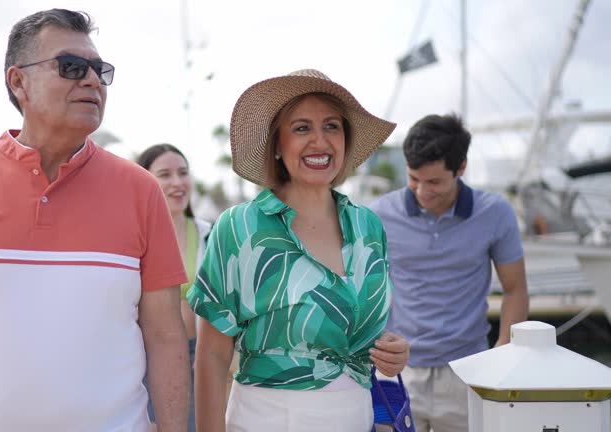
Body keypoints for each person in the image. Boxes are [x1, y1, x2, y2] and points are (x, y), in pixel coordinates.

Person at [0, 9, 190, 432]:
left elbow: (166, 337)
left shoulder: (142, 191)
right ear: (17, 81)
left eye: (100, 70)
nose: (93, 81)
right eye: (72, 67)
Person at [187, 69, 410, 432]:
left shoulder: (370, 227)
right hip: (268, 420)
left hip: (357, 416)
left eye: (332, 126)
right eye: (302, 128)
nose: (319, 141)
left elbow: (363, 330)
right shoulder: (239, 227)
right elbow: (212, 354)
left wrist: (393, 353)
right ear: (277, 145)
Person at [369, 114, 529, 432]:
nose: (420, 191)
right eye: (413, 178)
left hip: (468, 372)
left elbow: (515, 289)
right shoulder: (378, 214)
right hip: (396, 372)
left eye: (434, 182)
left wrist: (504, 352)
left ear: (461, 168)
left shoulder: (495, 213)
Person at [137, 143, 211, 432]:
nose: (177, 183)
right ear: (145, 181)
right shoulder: (135, 239)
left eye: (183, 173)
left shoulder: (210, 235)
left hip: (201, 360)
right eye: (165, 174)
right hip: (149, 362)